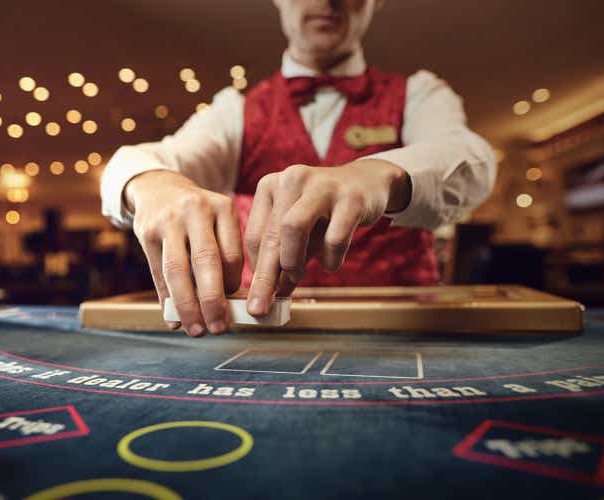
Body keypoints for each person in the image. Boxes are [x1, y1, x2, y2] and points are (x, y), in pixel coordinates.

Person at [101, 0, 496, 337]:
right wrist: (151, 184)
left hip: (401, 334)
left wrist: (377, 175)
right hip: (265, 335)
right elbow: (138, 161)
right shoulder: (235, 111)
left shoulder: (419, 93)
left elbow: (470, 159)